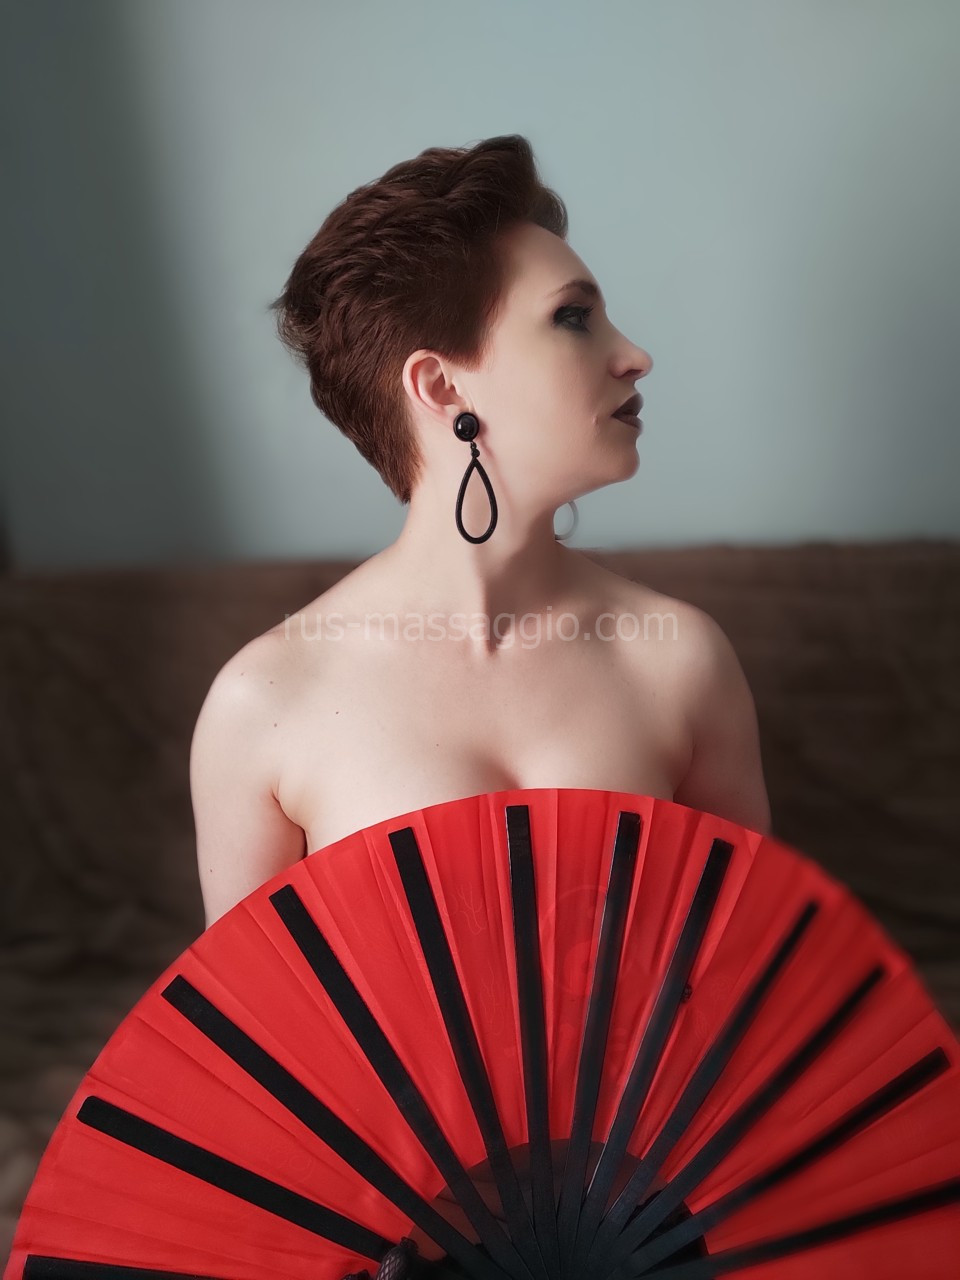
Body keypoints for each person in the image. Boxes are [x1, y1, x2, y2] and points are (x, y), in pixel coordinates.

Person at [189, 134, 771, 933]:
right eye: (573, 318)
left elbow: (751, 962)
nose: (635, 356)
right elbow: (253, 1001)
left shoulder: (682, 661)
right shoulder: (265, 703)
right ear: (440, 385)